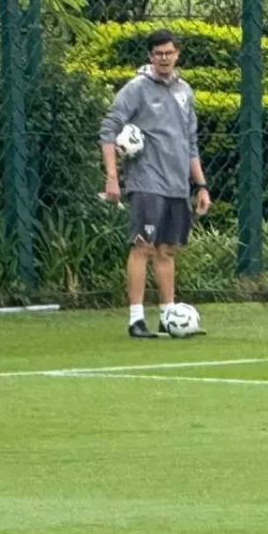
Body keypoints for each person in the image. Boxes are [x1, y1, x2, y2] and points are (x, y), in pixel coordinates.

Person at [98, 28, 211, 339]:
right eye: (158, 53)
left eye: (169, 53)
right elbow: (108, 129)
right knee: (143, 247)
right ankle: (136, 319)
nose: (164, 58)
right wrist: (112, 177)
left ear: (177, 54)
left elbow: (190, 143)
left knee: (167, 249)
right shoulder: (136, 89)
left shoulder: (185, 91)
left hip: (177, 184)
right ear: (150, 56)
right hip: (147, 180)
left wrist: (201, 185)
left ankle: (168, 317)